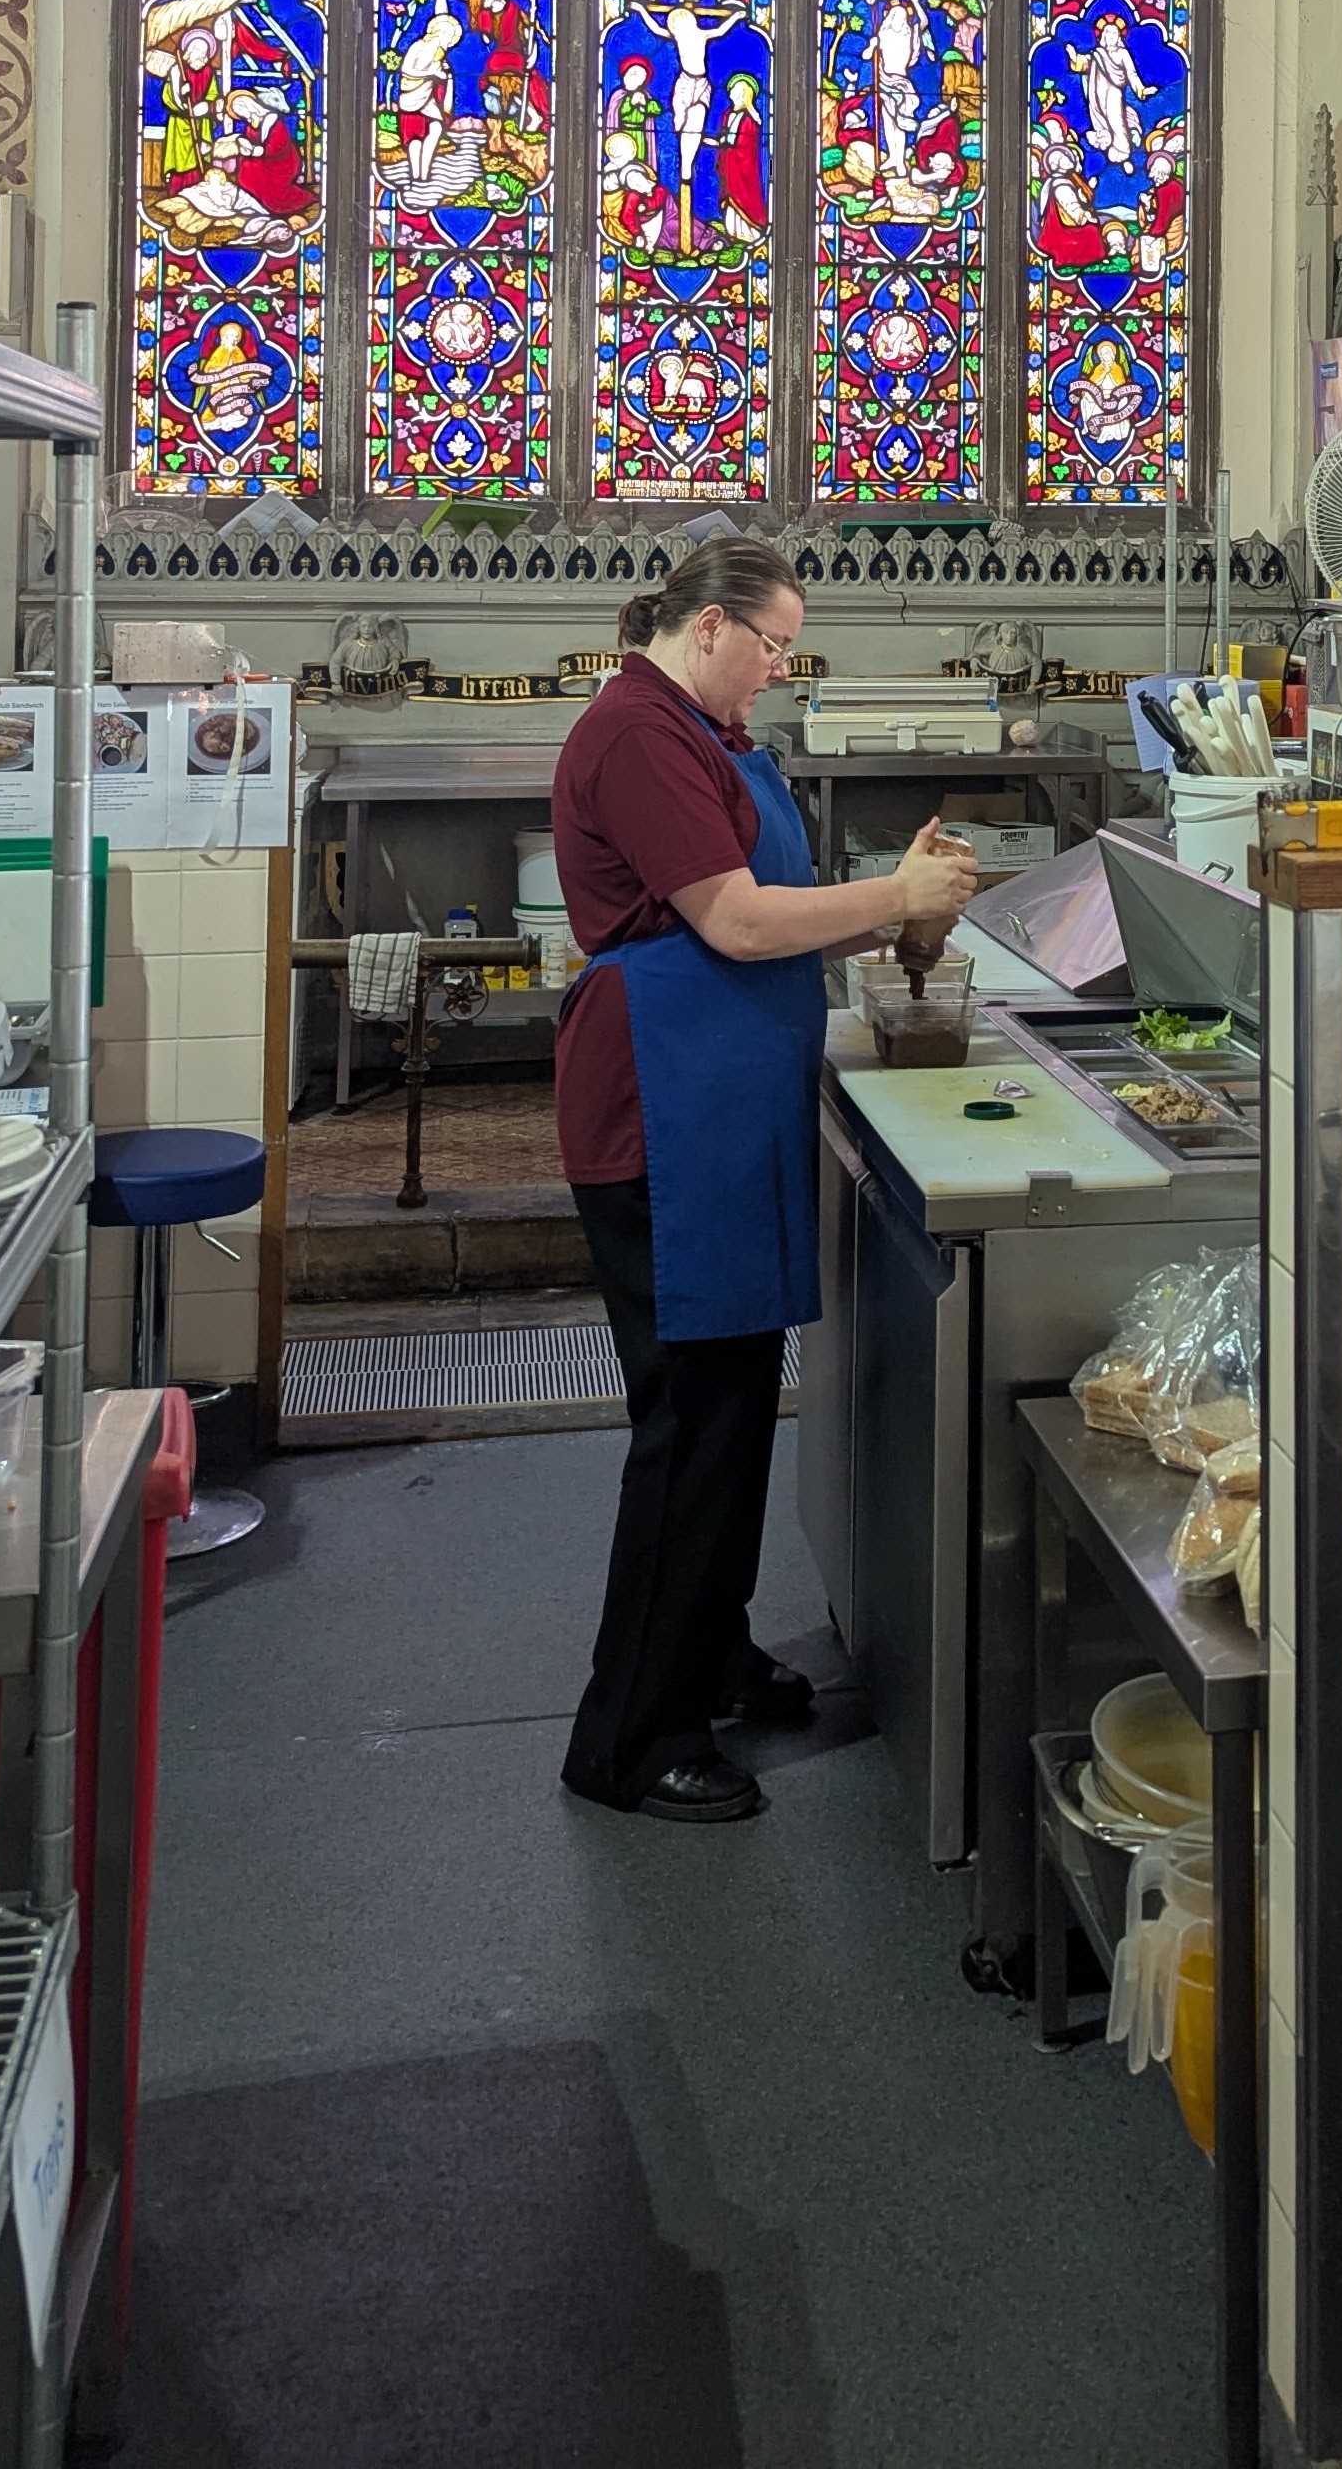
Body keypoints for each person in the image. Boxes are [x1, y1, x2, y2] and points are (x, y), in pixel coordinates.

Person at [549, 538, 979, 1824]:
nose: (783, 671)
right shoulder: (638, 733)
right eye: (776, 645)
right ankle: (631, 1738)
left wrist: (891, 905)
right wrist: (888, 894)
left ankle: (709, 1653)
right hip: (663, 1112)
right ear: (706, 626)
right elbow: (735, 921)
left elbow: (773, 897)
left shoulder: (709, 731)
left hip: (719, 1101)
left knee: (736, 1401)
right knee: (692, 1420)